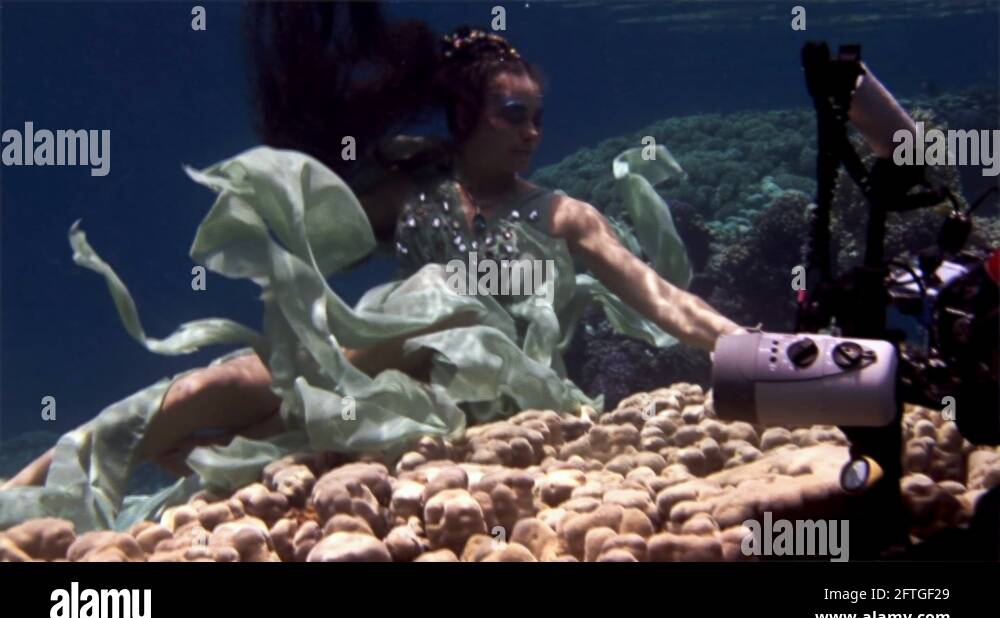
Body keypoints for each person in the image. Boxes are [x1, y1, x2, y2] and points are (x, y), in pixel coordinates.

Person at [0, 11, 742, 529]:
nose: (533, 132)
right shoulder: (410, 189)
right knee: (215, 384)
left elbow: (664, 299)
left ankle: (203, 463)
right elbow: (311, 253)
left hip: (471, 406)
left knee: (232, 430)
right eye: (514, 112)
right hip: (360, 375)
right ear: (462, 112)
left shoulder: (565, 215)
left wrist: (754, 350)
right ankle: (15, 500)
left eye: (537, 115)